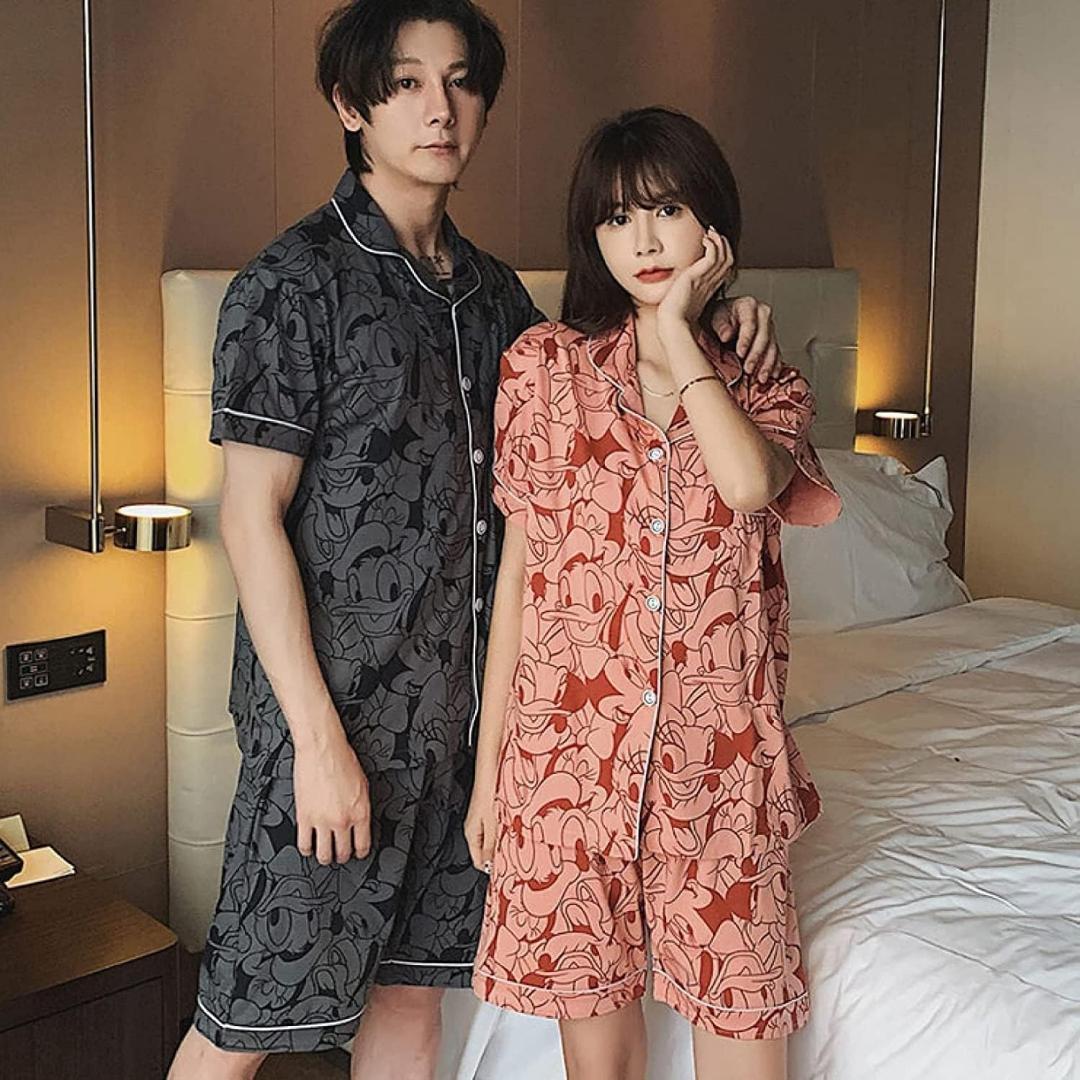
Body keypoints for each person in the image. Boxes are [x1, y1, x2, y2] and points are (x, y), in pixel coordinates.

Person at [166, 5, 782, 1078]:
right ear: (351, 105)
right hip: (335, 724)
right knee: (243, 1022)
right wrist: (314, 742)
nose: (439, 109)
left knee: (413, 1001)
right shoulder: (290, 286)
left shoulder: (500, 302)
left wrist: (717, 316)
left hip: (465, 736)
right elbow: (249, 519)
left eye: (459, 82)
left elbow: (609, 396)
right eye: (406, 83)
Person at [466, 106, 843, 1080]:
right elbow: (522, 582)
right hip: (568, 773)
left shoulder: (765, 386)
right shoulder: (543, 372)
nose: (641, 240)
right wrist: (490, 776)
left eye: (667, 210)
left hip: (720, 777)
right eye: (616, 217)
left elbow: (748, 485)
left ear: (712, 225)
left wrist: (678, 332)